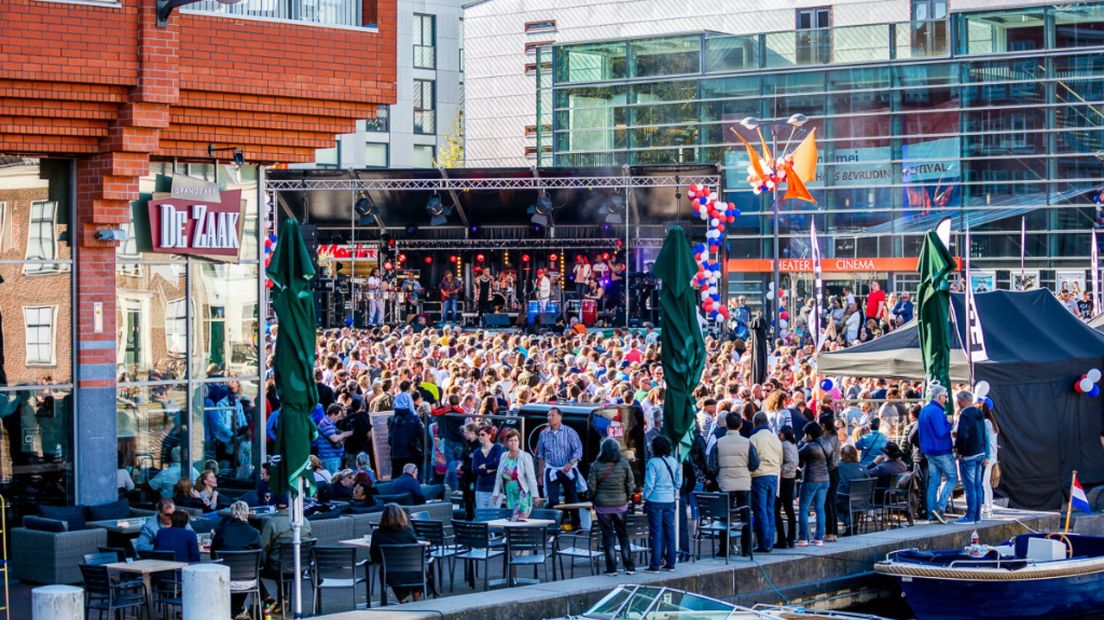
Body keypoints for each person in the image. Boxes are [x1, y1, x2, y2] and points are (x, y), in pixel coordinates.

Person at [587, 438, 636, 576]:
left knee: (608, 537)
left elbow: (591, 486)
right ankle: (629, 566)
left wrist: (593, 499)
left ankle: (612, 568)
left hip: (603, 506)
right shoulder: (624, 464)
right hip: (621, 505)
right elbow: (630, 483)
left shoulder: (596, 465)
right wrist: (626, 497)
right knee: (623, 536)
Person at [211, 501, 262, 619]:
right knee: (246, 574)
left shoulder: (222, 531)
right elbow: (261, 560)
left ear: (232, 514)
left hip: (223, 578)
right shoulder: (254, 533)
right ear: (247, 514)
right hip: (248, 580)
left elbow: (213, 556)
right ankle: (234, 611)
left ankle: (232, 611)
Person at [535, 407, 583, 528]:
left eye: (552, 415)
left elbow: (578, 450)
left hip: (568, 468)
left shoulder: (569, 432)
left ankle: (576, 524)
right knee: (552, 499)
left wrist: (570, 463)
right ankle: (556, 524)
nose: (549, 418)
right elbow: (541, 454)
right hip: (551, 468)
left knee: (571, 496)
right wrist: (540, 474)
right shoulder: (544, 434)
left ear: (560, 417)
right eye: (548, 415)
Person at [369, 503, 428, 602]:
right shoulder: (408, 531)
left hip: (392, 574)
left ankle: (402, 599)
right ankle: (417, 596)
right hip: (413, 570)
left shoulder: (377, 533)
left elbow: (374, 556)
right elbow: (416, 550)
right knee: (417, 566)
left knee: (387, 569)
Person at [918, 385, 956, 523]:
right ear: (939, 396)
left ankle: (931, 514)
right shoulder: (937, 411)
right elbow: (941, 432)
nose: (946, 399)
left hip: (928, 451)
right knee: (952, 478)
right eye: (945, 396)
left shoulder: (924, 410)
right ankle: (940, 507)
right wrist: (950, 423)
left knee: (933, 482)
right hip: (941, 450)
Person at [642, 434, 680, 573]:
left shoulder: (652, 462)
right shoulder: (673, 461)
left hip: (655, 500)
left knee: (656, 532)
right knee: (670, 531)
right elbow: (678, 482)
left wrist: (645, 497)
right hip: (669, 500)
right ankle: (671, 562)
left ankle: (655, 564)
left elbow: (649, 484)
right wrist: (671, 489)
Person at [748, 411, 781, 553]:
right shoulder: (775, 438)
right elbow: (780, 458)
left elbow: (751, 459)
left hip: (759, 476)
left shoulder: (753, 438)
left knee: (760, 510)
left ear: (755, 423)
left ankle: (764, 543)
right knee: (770, 510)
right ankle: (770, 542)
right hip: (773, 475)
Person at [954, 391, 987, 524]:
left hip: (969, 455)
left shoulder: (965, 414)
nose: (957, 403)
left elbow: (964, 436)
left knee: (970, 487)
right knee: (978, 485)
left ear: (962, 401)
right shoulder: (979, 413)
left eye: (958, 401)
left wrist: (960, 451)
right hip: (980, 452)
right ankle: (977, 515)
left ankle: (970, 516)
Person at [491, 429, 539, 518]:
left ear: (519, 442)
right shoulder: (504, 456)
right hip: (510, 493)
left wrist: (535, 496)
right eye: (511, 440)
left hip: (522, 492)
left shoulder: (525, 456)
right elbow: (498, 476)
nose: (513, 443)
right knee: (512, 519)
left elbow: (531, 478)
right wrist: (496, 493)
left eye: (515, 440)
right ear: (507, 443)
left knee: (522, 519)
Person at [796, 421, 830, 547]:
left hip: (811, 479)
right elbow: (831, 462)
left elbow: (797, 455)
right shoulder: (827, 443)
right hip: (825, 479)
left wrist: (802, 441)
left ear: (810, 434)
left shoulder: (809, 446)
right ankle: (819, 538)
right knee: (820, 509)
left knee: (803, 508)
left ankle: (803, 538)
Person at [387, 387, 425, 476]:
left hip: (395, 454)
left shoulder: (393, 419)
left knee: (396, 478)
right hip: (410, 454)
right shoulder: (414, 418)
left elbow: (390, 439)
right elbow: (422, 436)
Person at [819, 413, 841, 543]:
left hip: (830, 471)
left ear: (823, 425)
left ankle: (830, 532)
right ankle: (833, 531)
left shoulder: (827, 439)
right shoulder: (835, 436)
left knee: (828, 502)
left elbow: (830, 459)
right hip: (835, 470)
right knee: (831, 502)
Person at [774, 426, 798, 549]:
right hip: (791, 478)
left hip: (784, 479)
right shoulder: (793, 445)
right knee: (789, 509)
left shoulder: (784, 445)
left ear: (783, 435)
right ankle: (791, 538)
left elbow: (791, 463)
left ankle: (782, 539)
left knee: (776, 509)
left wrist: (779, 469)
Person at [835, 445, 865, 536]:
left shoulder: (839, 466)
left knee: (829, 503)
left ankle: (849, 522)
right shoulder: (862, 467)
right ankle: (852, 522)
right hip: (861, 500)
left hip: (843, 498)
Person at [471, 425, 503, 510]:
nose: (480, 437)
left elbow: (498, 463)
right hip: (480, 488)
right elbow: (475, 470)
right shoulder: (477, 452)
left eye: (483, 434)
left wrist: (485, 466)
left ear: (489, 435)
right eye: (479, 435)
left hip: (494, 489)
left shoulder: (497, 447)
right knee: (481, 516)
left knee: (493, 517)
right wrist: (490, 470)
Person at [317, 403, 352, 474]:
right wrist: (344, 434)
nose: (339, 418)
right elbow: (334, 438)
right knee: (333, 480)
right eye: (338, 416)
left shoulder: (330, 423)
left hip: (333, 458)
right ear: (333, 414)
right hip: (329, 459)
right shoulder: (325, 423)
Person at [981, 399, 1000, 518]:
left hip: (988, 456)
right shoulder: (992, 423)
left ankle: (987, 510)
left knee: (985, 484)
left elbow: (986, 441)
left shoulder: (986, 423)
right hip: (993, 456)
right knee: (986, 484)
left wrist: (986, 456)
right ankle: (988, 509)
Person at [458, 423, 479, 520]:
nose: (464, 434)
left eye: (466, 432)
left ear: (471, 433)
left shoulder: (477, 446)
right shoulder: (468, 444)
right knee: (467, 501)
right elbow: (463, 457)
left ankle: (472, 519)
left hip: (473, 478)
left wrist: (463, 467)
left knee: (472, 500)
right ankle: (468, 518)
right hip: (466, 477)